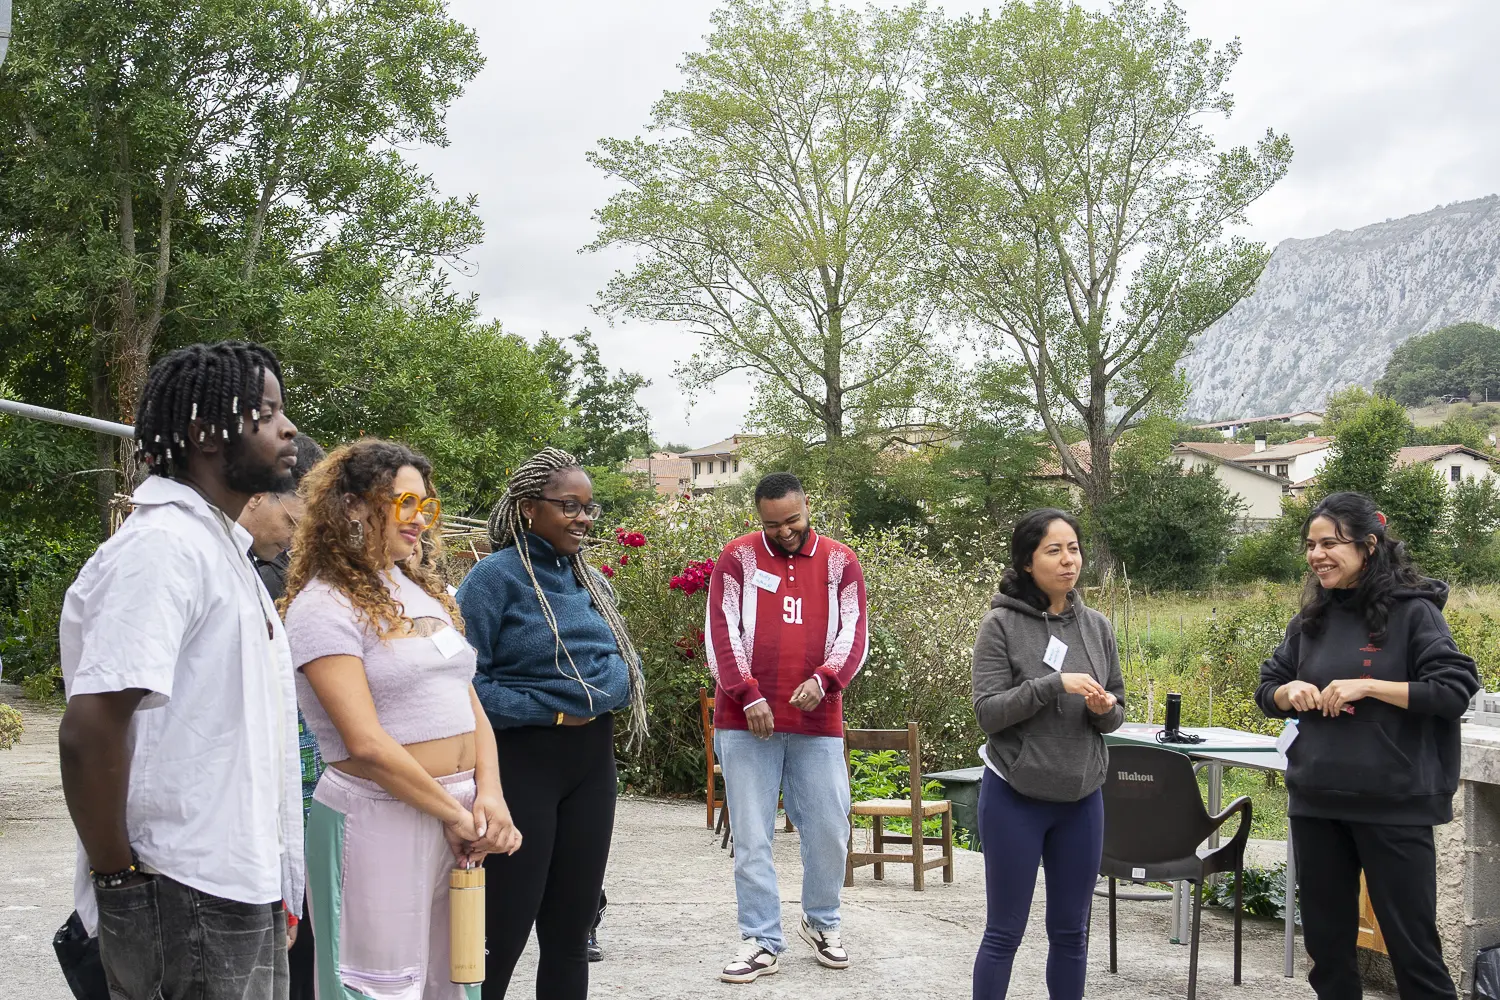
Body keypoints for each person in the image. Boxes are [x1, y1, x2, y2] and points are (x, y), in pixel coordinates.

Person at [57, 341, 305, 1000]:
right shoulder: (163, 550)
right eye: (267, 413)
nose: (289, 430)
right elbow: (90, 728)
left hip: (232, 882)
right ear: (203, 433)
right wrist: (120, 885)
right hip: (181, 889)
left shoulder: (216, 548)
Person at [282, 438, 522, 1000]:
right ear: (354, 506)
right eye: (404, 503)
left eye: (425, 505)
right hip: (377, 818)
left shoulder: (417, 592)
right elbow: (363, 742)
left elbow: (467, 699)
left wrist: (489, 794)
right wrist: (452, 813)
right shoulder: (323, 606)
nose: (420, 519)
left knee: (452, 980)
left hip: (458, 812)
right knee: (377, 986)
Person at [1256, 491, 1479, 1000]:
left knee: (1413, 953)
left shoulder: (1414, 613)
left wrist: (1369, 685)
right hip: (1317, 800)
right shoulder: (1311, 620)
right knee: (1328, 953)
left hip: (1394, 805)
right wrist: (1287, 692)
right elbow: (1268, 686)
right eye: (1311, 545)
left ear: (1369, 546)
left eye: (1330, 543)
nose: (1317, 556)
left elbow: (1453, 689)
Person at [455, 446, 647, 999]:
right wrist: (551, 707)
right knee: (503, 929)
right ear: (527, 508)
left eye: (589, 507)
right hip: (523, 763)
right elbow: (466, 686)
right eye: (569, 506)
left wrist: (598, 693)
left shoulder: (589, 581)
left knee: (571, 929)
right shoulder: (493, 580)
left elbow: (616, 662)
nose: (584, 518)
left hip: (591, 765)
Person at [706, 472, 868, 984]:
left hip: (818, 721)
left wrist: (826, 680)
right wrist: (747, 693)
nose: (784, 531)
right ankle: (760, 938)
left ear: (807, 507)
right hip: (744, 720)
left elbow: (854, 630)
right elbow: (720, 632)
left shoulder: (840, 562)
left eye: (793, 520)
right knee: (753, 837)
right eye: (772, 524)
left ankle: (821, 922)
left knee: (829, 828)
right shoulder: (737, 558)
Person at [969, 508, 1124, 1000]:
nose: (1067, 560)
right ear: (1027, 562)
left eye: (1073, 548)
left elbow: (1117, 711)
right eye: (1053, 550)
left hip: (1082, 798)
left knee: (1071, 933)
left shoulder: (1097, 626)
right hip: (1016, 795)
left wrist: (1104, 708)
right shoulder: (1000, 625)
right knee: (1004, 932)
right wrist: (1051, 685)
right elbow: (989, 712)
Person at [238, 432, 326, 1000]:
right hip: (261, 793)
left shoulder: (279, 567)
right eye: (298, 520)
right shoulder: (253, 575)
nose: (299, 538)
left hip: (303, 785)